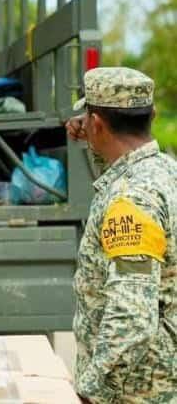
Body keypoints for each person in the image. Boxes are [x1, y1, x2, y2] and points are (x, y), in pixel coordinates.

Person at [65, 67, 176, 403]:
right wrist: (93, 133)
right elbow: (118, 165)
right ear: (152, 115)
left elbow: (132, 318)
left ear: (97, 124)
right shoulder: (166, 170)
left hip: (137, 393)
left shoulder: (130, 200)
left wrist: (92, 392)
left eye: (88, 119)